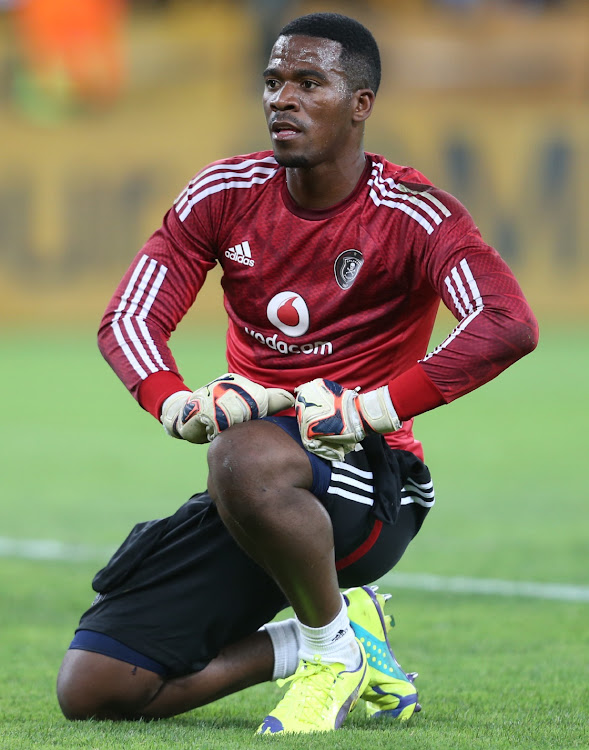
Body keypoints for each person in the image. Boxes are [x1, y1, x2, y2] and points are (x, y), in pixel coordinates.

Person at [56, 12, 538, 735]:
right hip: (256, 483)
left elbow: (506, 323)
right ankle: (341, 636)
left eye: (309, 83)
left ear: (360, 104)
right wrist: (175, 403)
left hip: (370, 480)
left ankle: (328, 659)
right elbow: (128, 320)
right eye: (273, 81)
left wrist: (372, 408)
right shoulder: (223, 194)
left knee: (244, 451)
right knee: (94, 688)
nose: (282, 98)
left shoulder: (412, 213)